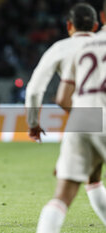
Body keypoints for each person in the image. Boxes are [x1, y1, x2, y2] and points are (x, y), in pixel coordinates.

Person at [32, 3, 106, 232]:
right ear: (96, 21)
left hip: (84, 118)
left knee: (63, 196)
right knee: (93, 180)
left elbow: (63, 97)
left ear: (103, 17)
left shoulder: (83, 47)